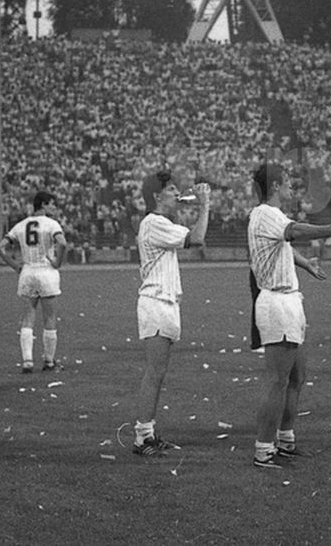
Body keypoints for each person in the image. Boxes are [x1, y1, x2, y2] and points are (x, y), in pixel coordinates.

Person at [248, 162, 331, 469]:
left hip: (290, 300)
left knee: (297, 376)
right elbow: (292, 232)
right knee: (277, 380)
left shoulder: (271, 216)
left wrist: (306, 263)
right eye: (287, 184)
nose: (291, 189)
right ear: (275, 186)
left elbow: (282, 245)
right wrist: (328, 230)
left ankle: (285, 439)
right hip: (276, 301)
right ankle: (263, 449)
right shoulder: (266, 213)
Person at [131, 172, 212, 456]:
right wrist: (204, 205)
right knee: (154, 372)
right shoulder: (154, 223)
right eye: (172, 189)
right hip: (156, 301)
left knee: (158, 372)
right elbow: (198, 239)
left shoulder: (160, 223)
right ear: (157, 196)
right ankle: (142, 436)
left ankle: (147, 434)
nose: (178, 193)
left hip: (164, 302)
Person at [0, 191, 68, 373]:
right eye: (51, 204)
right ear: (43, 205)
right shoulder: (51, 224)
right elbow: (63, 243)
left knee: (28, 317)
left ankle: (27, 361)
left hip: (27, 272)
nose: (54, 207)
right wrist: (58, 262)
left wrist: (15, 265)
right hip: (46, 272)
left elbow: (0, 248)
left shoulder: (20, 225)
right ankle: (49, 361)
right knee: (49, 318)